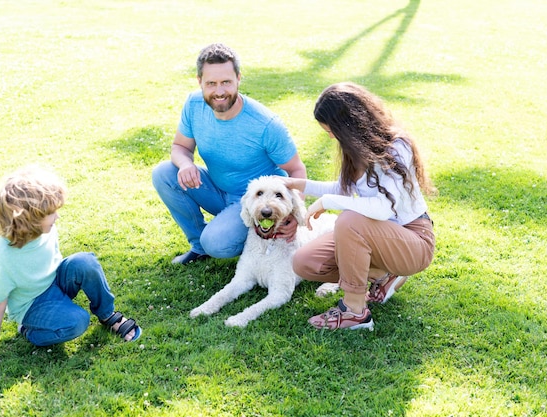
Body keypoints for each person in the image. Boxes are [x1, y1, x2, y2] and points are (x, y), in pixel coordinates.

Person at [278, 82, 436, 331]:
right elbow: (344, 188)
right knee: (305, 262)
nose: (331, 136)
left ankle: (355, 312)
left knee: (349, 221)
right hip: (377, 236)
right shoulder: (356, 151)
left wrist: (327, 203)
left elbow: (383, 208)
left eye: (331, 130)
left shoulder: (397, 147)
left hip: (413, 239)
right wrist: (298, 184)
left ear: (348, 123)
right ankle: (382, 274)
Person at [152, 43, 306, 265]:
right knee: (164, 173)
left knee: (216, 243)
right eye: (211, 83)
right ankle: (198, 246)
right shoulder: (193, 105)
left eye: (226, 82)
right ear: (200, 82)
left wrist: (293, 215)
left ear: (238, 79)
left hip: (256, 201)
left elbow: (296, 169)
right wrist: (186, 164)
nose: (219, 91)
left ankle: (249, 237)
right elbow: (180, 147)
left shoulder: (265, 123)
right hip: (215, 188)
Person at [0, 166, 141, 362]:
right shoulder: (5, 257)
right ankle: (29, 330)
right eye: (52, 212)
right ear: (30, 218)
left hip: (56, 281)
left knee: (85, 262)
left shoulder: (46, 229)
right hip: (33, 305)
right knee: (77, 321)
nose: (58, 216)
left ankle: (107, 315)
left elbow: (54, 261)